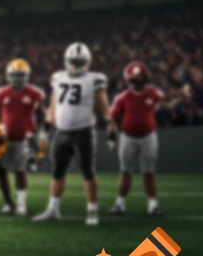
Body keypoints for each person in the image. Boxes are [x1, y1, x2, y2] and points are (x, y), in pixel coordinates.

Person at [33, 42, 109, 225]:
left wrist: (110, 125)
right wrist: (48, 121)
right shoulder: (58, 77)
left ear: (87, 61)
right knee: (57, 171)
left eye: (79, 61)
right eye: (74, 61)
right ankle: (53, 209)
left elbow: (103, 105)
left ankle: (92, 211)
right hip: (61, 132)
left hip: (83, 131)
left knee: (88, 172)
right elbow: (54, 102)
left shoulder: (94, 79)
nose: (76, 64)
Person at [0, 58, 46, 215]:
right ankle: (8, 203)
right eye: (15, 74)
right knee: (1, 171)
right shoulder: (1, 94)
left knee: (20, 171)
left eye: (21, 75)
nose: (18, 78)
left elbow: (41, 115)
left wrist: (36, 131)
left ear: (26, 76)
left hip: (22, 139)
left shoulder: (34, 94)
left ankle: (21, 204)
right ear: (9, 75)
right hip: (4, 138)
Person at [108, 61, 164, 217]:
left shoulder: (152, 93)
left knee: (148, 171)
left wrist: (180, 96)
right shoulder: (123, 97)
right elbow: (113, 119)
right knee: (126, 171)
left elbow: (166, 102)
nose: (138, 82)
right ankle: (120, 203)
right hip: (128, 137)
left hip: (148, 136)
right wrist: (112, 138)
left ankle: (152, 205)